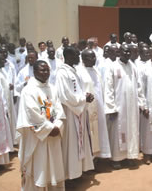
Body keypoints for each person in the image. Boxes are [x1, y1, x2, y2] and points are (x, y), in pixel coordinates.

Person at [17, 60, 66, 190]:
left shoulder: (52, 88)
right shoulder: (28, 90)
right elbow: (31, 113)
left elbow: (59, 110)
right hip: (37, 138)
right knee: (39, 167)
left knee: (53, 167)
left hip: (53, 134)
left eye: (47, 70)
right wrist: (49, 128)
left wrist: (58, 126)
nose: (46, 73)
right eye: (42, 70)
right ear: (34, 72)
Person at [105, 44, 147, 168]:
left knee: (132, 131)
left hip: (132, 106)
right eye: (125, 52)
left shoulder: (133, 67)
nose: (127, 54)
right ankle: (117, 158)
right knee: (118, 131)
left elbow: (139, 87)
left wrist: (141, 103)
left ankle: (130, 155)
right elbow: (109, 88)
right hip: (119, 106)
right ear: (119, 52)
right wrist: (111, 107)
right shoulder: (113, 67)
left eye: (129, 52)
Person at [55, 46, 95, 180]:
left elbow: (77, 91)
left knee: (79, 143)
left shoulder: (74, 71)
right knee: (70, 145)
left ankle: (78, 172)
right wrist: (84, 98)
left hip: (78, 112)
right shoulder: (62, 73)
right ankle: (69, 175)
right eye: (77, 55)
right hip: (70, 113)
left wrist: (85, 95)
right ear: (68, 56)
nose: (79, 58)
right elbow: (65, 95)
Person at [77, 49, 111, 159]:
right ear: (83, 59)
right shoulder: (79, 72)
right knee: (89, 133)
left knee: (99, 131)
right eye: (90, 58)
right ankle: (90, 159)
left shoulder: (96, 70)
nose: (93, 59)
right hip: (87, 108)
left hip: (99, 106)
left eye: (94, 57)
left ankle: (99, 156)